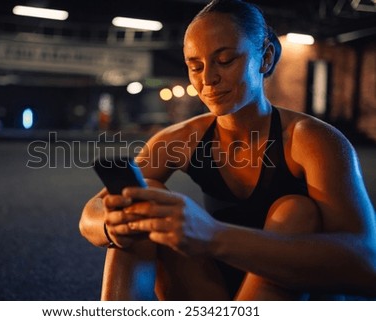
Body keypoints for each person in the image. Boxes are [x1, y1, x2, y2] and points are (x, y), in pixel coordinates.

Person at [79, 0, 376, 300]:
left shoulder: (312, 141)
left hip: (286, 288)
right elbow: (90, 215)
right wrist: (112, 224)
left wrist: (213, 236)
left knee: (295, 211)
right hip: (209, 289)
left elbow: (366, 263)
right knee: (143, 198)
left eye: (225, 60)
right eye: (196, 66)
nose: (208, 79)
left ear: (266, 58)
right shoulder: (181, 138)